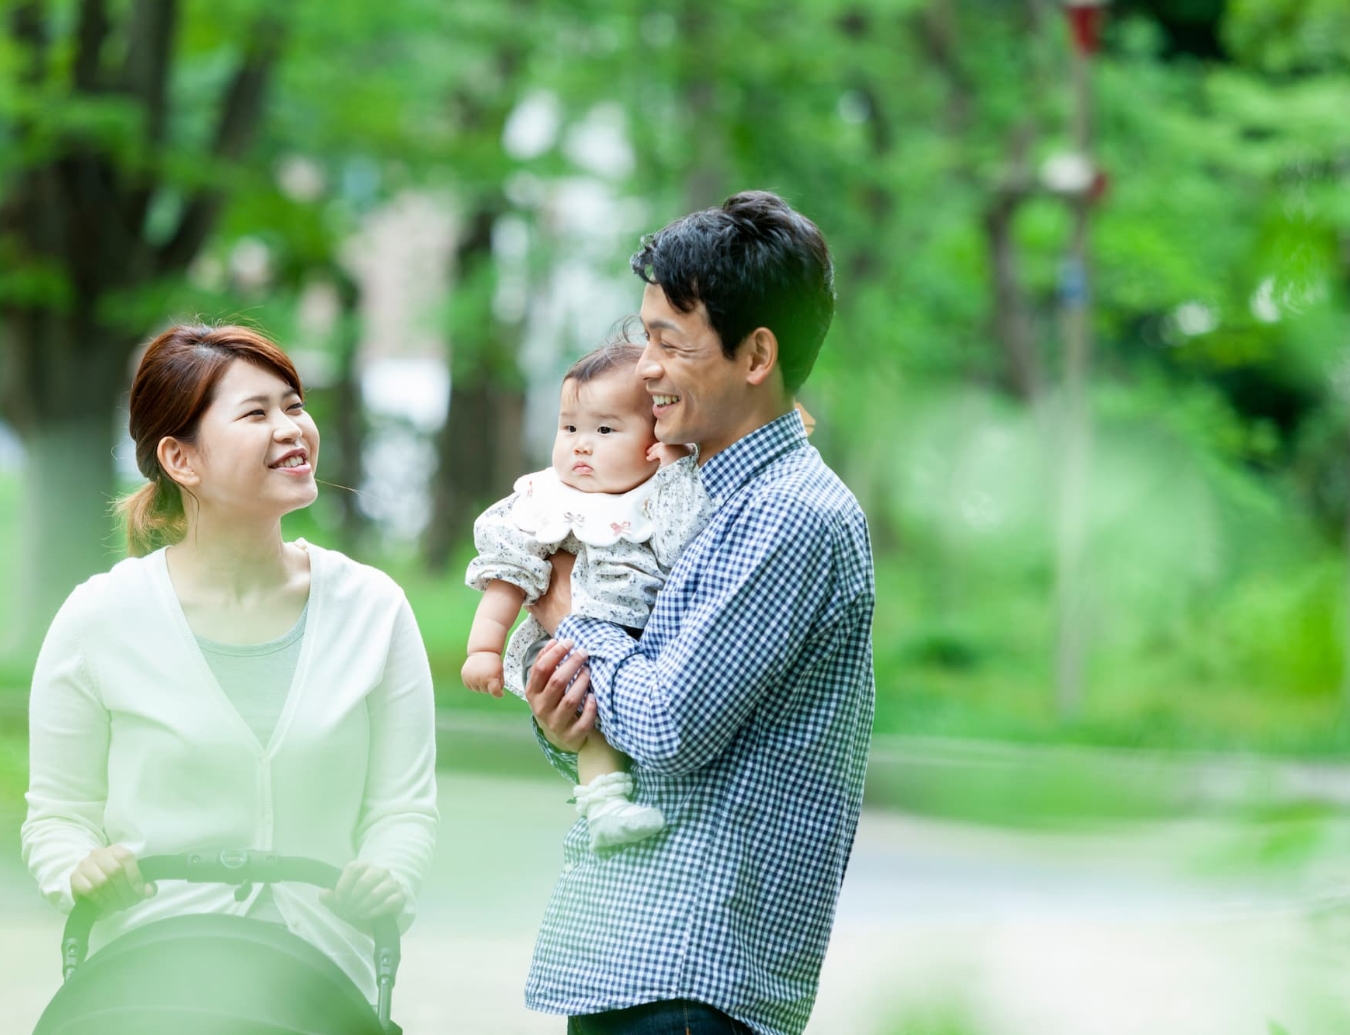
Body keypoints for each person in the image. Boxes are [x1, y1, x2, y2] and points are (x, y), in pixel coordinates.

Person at [521, 190, 876, 1035]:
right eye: (645, 335)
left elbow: (667, 722)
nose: (643, 367)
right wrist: (561, 705)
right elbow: (597, 720)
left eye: (668, 342)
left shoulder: (791, 512)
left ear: (757, 355)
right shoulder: (680, 499)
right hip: (628, 958)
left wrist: (573, 613)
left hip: (696, 975)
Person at [21, 323, 438, 1004]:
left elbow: (403, 808)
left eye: (294, 406)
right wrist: (80, 867)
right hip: (147, 984)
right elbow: (58, 814)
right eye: (256, 413)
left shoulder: (374, 609)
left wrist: (387, 872)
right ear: (181, 460)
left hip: (320, 985)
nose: (291, 429)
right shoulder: (99, 618)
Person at [462, 340, 711, 850]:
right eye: (569, 427)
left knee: (600, 707)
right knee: (587, 714)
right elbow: (509, 575)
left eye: (604, 430)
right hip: (567, 651)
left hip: (643, 651)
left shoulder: (664, 496)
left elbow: (683, 543)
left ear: (654, 440)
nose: (580, 444)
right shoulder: (546, 503)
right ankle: (604, 806)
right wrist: (483, 648)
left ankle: (609, 805)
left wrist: (672, 472)